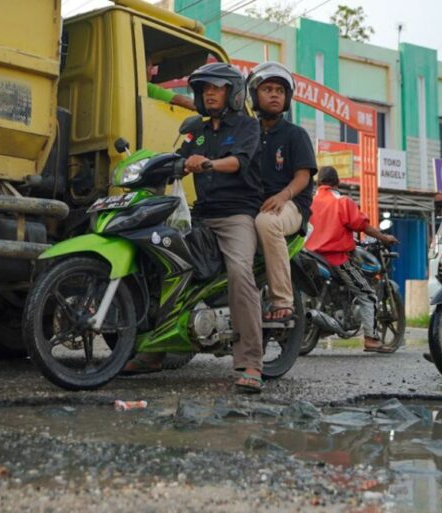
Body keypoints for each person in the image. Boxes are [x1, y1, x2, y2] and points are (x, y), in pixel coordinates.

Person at [125, 62, 266, 394]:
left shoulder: (247, 127)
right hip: (201, 215)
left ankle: (251, 362)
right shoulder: (197, 131)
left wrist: (209, 163)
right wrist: (147, 170)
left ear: (231, 93)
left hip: (236, 217)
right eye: (204, 90)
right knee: (164, 263)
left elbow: (239, 162)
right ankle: (156, 351)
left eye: (216, 88)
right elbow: (177, 162)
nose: (209, 94)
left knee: (239, 272)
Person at [247, 62, 317, 321]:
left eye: (279, 90)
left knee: (267, 223)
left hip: (291, 205)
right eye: (267, 89)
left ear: (287, 97)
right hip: (253, 202)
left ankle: (282, 300)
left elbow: (303, 176)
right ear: (255, 95)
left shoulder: (295, 134)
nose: (274, 94)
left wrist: (282, 196)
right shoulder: (248, 132)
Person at [305, 166, 399, 353]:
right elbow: (362, 225)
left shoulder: (309, 201)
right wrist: (384, 237)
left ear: (318, 183)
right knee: (368, 295)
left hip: (309, 256)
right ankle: (371, 339)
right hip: (336, 259)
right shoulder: (342, 202)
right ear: (337, 182)